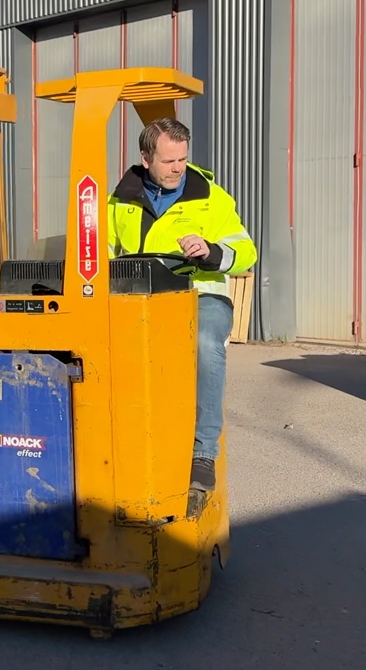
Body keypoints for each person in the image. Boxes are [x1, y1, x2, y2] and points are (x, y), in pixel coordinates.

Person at [106, 117, 257, 493]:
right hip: (138, 299)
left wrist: (211, 251)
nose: (178, 168)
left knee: (204, 343)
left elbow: (246, 251)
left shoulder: (211, 197)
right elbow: (100, 252)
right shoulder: (119, 201)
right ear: (146, 159)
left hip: (201, 296)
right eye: (168, 160)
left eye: (182, 159)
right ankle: (115, 444)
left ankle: (203, 452)